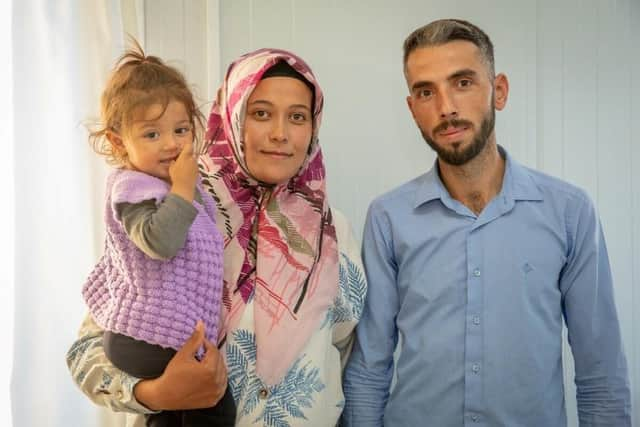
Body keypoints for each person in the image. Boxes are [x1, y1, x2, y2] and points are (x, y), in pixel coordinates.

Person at [342, 18, 631, 426]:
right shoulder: (388, 218)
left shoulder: (569, 212)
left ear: (499, 91)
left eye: (463, 82)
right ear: (412, 108)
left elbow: (600, 370)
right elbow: (369, 367)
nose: (446, 108)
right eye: (426, 91)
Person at [67, 48, 367, 427]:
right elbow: (86, 353)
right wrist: (155, 394)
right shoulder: (178, 210)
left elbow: (345, 357)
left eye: (297, 117)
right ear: (231, 118)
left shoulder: (334, 231)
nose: (280, 133)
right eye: (260, 113)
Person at [78, 42, 236, 426]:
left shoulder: (178, 189)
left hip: (158, 338)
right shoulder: (134, 190)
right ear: (119, 142)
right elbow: (160, 244)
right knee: (215, 408)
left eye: (181, 130)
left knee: (177, 416)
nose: (171, 144)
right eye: (151, 134)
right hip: (143, 337)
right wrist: (183, 189)